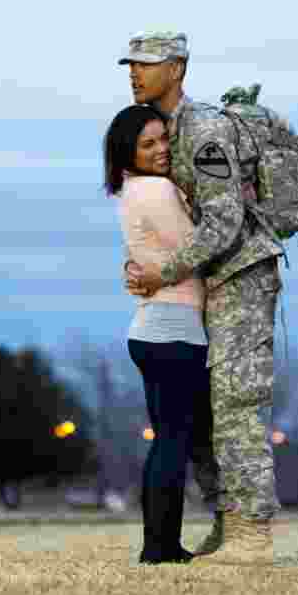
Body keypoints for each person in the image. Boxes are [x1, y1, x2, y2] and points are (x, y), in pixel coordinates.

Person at [118, 29, 284, 565]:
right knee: (207, 415)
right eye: (132, 63)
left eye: (147, 63)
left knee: (236, 404)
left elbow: (224, 221)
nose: (134, 72)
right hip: (203, 285)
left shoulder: (206, 130)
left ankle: (252, 531)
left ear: (178, 68)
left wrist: (160, 271)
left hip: (240, 277)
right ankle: (225, 523)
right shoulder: (165, 132)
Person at [103, 103, 221, 565]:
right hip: (174, 331)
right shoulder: (155, 190)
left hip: (154, 329)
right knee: (174, 441)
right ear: (127, 152)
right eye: (147, 144)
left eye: (163, 139)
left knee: (168, 439)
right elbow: (199, 246)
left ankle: (160, 543)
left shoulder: (133, 191)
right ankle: (160, 547)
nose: (161, 150)